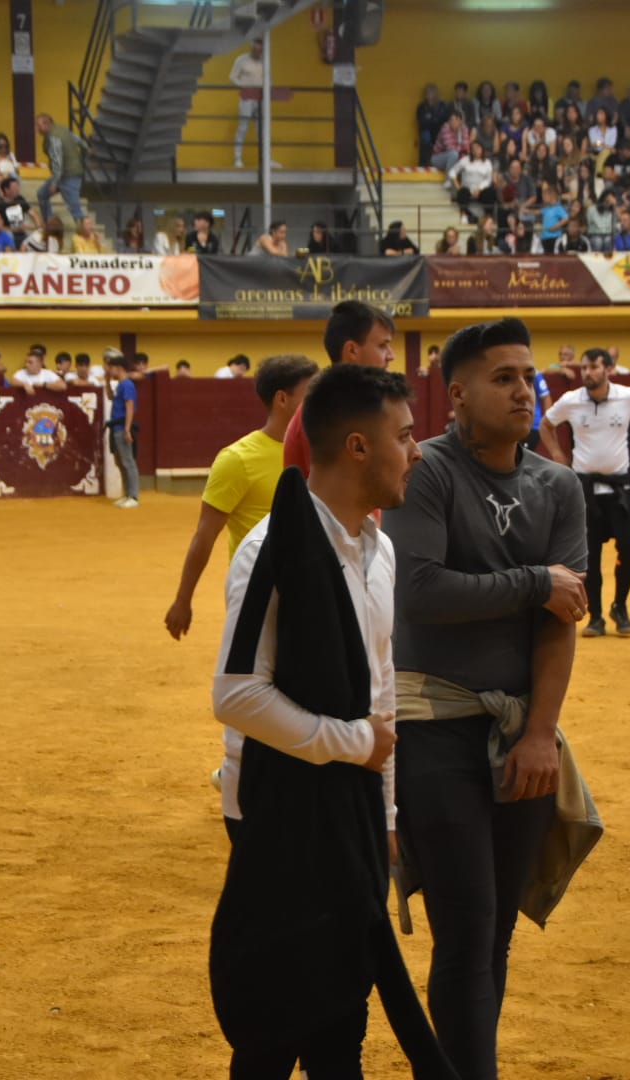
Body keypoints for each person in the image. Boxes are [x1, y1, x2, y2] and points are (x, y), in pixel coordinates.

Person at [210, 363, 451, 1080]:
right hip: (282, 819)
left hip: (350, 815)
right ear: (357, 446)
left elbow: (381, 697)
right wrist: (353, 746)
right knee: (274, 1030)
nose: (416, 451)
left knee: (341, 1019)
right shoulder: (268, 552)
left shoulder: (380, 552)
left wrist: (385, 812)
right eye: (405, 436)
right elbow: (235, 694)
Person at [382, 318, 591, 1080]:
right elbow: (422, 589)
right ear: (458, 393)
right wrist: (537, 581)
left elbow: (562, 622)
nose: (523, 390)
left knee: (494, 932)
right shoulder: (427, 470)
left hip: (517, 736)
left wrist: (541, 734)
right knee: (466, 932)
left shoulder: (558, 486)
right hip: (433, 725)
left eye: (528, 375)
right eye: (502, 377)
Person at [165, 353, 318, 641]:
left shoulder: (324, 452)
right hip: (258, 589)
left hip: (311, 587)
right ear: (282, 399)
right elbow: (204, 535)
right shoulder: (237, 460)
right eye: (310, 395)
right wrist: (183, 600)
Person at [540, 348, 630, 637]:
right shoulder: (571, 401)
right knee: (588, 555)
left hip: (621, 487)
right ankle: (595, 616)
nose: (587, 373)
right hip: (584, 490)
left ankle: (619, 606)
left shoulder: (628, 396)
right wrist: (557, 453)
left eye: (594, 367)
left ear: (608, 369)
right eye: (584, 368)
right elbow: (547, 425)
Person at [283, 302, 395, 475]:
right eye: (382, 346)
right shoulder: (325, 411)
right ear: (352, 351)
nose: (391, 356)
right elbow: (340, 493)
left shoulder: (350, 405)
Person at [35, 112, 84, 223]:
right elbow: (77, 139)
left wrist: (54, 183)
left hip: (67, 175)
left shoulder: (53, 138)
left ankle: (85, 235)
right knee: (42, 194)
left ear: (47, 124)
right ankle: (50, 223)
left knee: (75, 209)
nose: (37, 129)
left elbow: (57, 162)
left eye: (39, 125)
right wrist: (87, 148)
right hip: (70, 173)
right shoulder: (62, 129)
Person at [106, 353, 139, 508]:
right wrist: (106, 380)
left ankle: (133, 496)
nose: (109, 370)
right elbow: (110, 397)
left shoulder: (127, 384)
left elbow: (129, 406)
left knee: (128, 462)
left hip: (122, 427)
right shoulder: (121, 384)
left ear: (118, 367)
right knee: (121, 462)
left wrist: (127, 429)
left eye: (110, 368)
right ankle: (127, 494)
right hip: (116, 427)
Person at [229, 39, 266, 170]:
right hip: (246, 98)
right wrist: (244, 86)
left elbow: (268, 78)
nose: (257, 53)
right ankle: (237, 158)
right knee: (243, 127)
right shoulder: (241, 60)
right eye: (255, 50)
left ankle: (266, 159)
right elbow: (233, 77)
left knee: (262, 129)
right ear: (251, 49)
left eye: (260, 51)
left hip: (261, 98)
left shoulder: (264, 61)